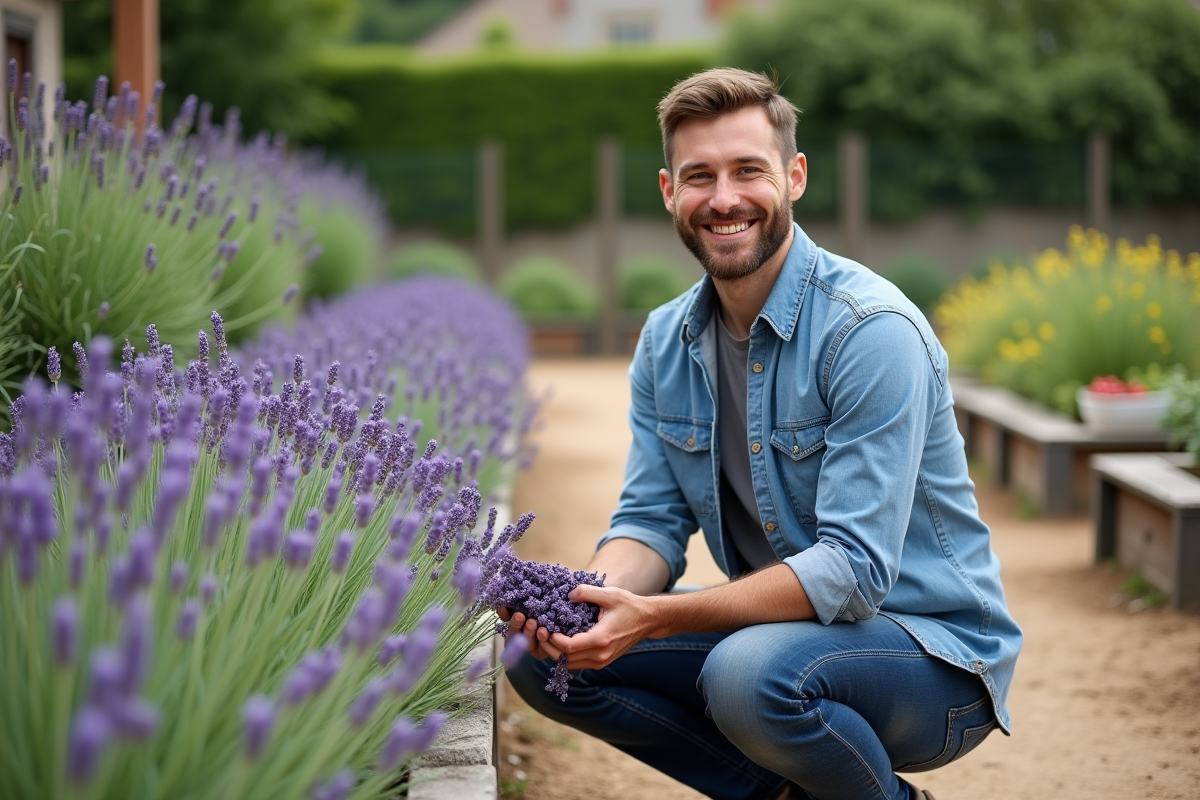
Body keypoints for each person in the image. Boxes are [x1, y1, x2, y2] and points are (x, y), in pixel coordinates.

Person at [503, 67, 1022, 800]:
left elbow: (852, 572)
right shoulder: (664, 342)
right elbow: (650, 522)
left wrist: (654, 617)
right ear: (666, 192)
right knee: (541, 660)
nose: (723, 199)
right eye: (698, 176)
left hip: (933, 657)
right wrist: (591, 605)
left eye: (748, 170)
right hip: (779, 642)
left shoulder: (870, 332)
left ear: (795, 176)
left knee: (746, 676)